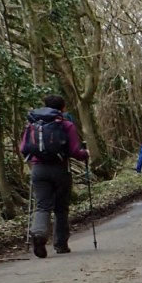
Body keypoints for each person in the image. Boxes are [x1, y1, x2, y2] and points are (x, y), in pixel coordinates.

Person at [18, 94, 89, 258]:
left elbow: (23, 148)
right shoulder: (66, 125)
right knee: (61, 208)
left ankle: (39, 233)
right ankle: (61, 244)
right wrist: (84, 154)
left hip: (38, 169)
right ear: (62, 108)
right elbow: (74, 151)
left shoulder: (32, 125)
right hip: (60, 169)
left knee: (42, 205)